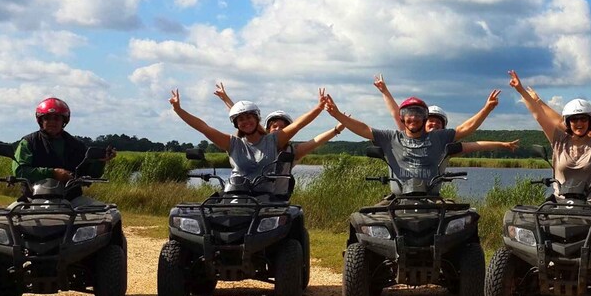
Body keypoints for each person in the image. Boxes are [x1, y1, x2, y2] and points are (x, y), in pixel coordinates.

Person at [507, 68, 591, 209]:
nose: (579, 123)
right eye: (574, 119)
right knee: (538, 220)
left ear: (590, 121)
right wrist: (520, 90)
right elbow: (538, 115)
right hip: (560, 200)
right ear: (568, 122)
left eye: (583, 119)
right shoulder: (559, 141)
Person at [322, 92, 500, 196]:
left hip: (431, 198)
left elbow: (465, 129)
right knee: (363, 227)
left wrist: (487, 109)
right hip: (399, 198)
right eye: (408, 113)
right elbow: (363, 129)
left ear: (424, 117)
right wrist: (337, 114)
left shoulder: (438, 138)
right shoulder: (391, 138)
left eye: (418, 113)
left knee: (464, 228)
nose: (413, 117)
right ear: (402, 117)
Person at [170, 88, 325, 198]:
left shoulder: (273, 141)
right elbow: (203, 127)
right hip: (235, 195)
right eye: (241, 119)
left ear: (257, 119)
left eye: (249, 117)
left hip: (266, 197)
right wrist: (178, 110)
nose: (246, 122)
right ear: (236, 124)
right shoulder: (232, 143)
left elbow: (297, 125)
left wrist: (318, 108)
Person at [371, 74, 518, 153]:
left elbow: (476, 144)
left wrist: (502, 144)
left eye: (438, 122)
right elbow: (396, 113)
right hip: (403, 191)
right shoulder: (406, 135)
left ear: (443, 127)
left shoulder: (445, 145)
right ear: (422, 121)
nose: (434, 124)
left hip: (431, 192)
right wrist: (384, 91)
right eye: (430, 120)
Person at [12, 98, 117, 205]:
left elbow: (90, 174)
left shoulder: (76, 145)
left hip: (71, 199)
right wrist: (53, 173)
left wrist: (100, 161)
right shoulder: (28, 142)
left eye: (57, 118)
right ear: (41, 121)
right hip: (33, 198)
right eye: (47, 118)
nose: (52, 122)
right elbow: (20, 171)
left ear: (64, 121)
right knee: (7, 218)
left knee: (108, 215)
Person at [213, 82, 348, 159]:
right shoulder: (264, 142)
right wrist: (226, 99)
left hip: (277, 202)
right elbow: (243, 119)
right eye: (274, 126)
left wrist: (337, 129)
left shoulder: (293, 152)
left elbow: (316, 141)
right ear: (267, 129)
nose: (277, 129)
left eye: (282, 128)